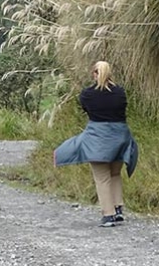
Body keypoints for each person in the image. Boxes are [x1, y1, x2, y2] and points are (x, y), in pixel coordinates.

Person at [54, 61, 139, 227]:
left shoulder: (87, 94)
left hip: (98, 138)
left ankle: (108, 215)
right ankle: (118, 208)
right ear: (110, 74)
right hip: (120, 137)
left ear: (95, 73)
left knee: (102, 178)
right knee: (115, 174)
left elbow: (87, 110)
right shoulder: (120, 92)